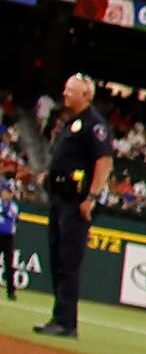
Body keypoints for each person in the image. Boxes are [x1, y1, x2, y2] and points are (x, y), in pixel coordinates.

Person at [31, 73, 104, 337]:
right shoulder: (71, 122)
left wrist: (91, 198)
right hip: (59, 197)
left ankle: (66, 323)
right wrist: (49, 177)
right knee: (57, 258)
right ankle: (59, 317)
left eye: (70, 90)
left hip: (75, 202)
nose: (64, 94)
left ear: (85, 95)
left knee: (68, 262)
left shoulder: (94, 124)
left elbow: (103, 161)